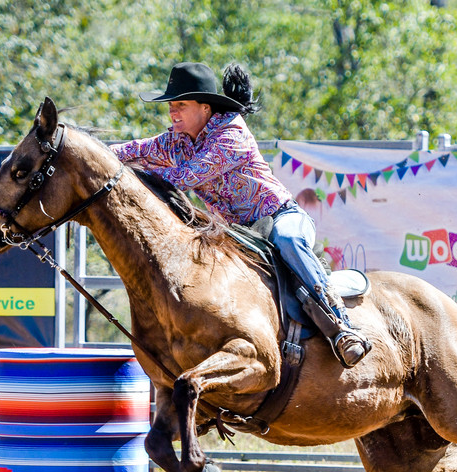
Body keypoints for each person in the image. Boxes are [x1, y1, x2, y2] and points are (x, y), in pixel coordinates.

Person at [110, 61, 370, 368]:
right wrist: (85, 154)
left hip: (279, 217)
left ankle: (341, 326)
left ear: (204, 108)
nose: (172, 112)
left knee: (288, 240)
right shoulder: (174, 142)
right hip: (236, 233)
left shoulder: (231, 132)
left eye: (181, 104)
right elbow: (128, 150)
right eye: (171, 106)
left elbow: (186, 177)